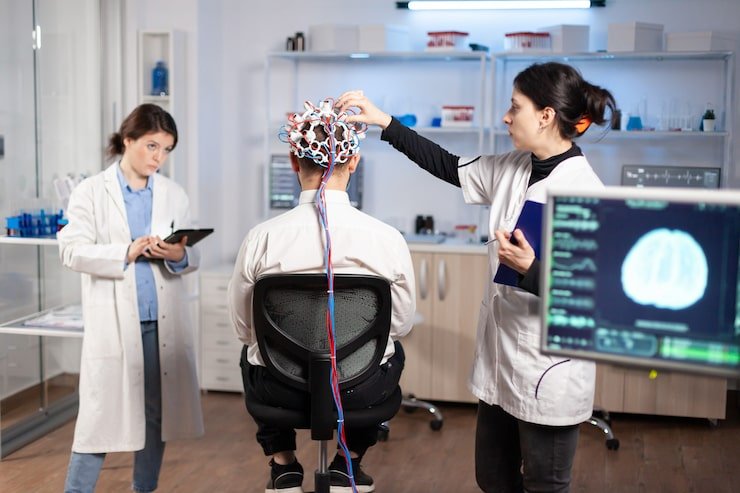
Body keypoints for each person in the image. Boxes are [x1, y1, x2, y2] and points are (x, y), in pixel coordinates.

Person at [337, 62, 617, 493]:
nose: (506, 117)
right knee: (492, 477)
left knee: (545, 484)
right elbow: (447, 165)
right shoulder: (513, 167)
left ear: (545, 115)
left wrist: (531, 270)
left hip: (549, 370)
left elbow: (596, 297)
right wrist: (384, 123)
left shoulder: (585, 192)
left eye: (515, 107)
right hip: (501, 362)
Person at [228, 100, 416, 493]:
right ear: (354, 162)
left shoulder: (261, 239)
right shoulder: (387, 239)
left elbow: (244, 330)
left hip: (280, 389)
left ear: (293, 162)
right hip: (359, 389)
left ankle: (283, 464)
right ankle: (349, 462)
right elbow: (399, 325)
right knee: (393, 351)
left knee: (250, 354)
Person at [58, 103, 204, 493]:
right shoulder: (92, 191)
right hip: (115, 322)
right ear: (128, 140)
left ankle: (144, 488)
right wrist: (125, 251)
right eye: (152, 146)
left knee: (156, 414)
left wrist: (178, 254)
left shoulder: (173, 193)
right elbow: (71, 251)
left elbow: (191, 256)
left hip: (160, 321)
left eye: (166, 150)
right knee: (98, 417)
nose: (159, 158)